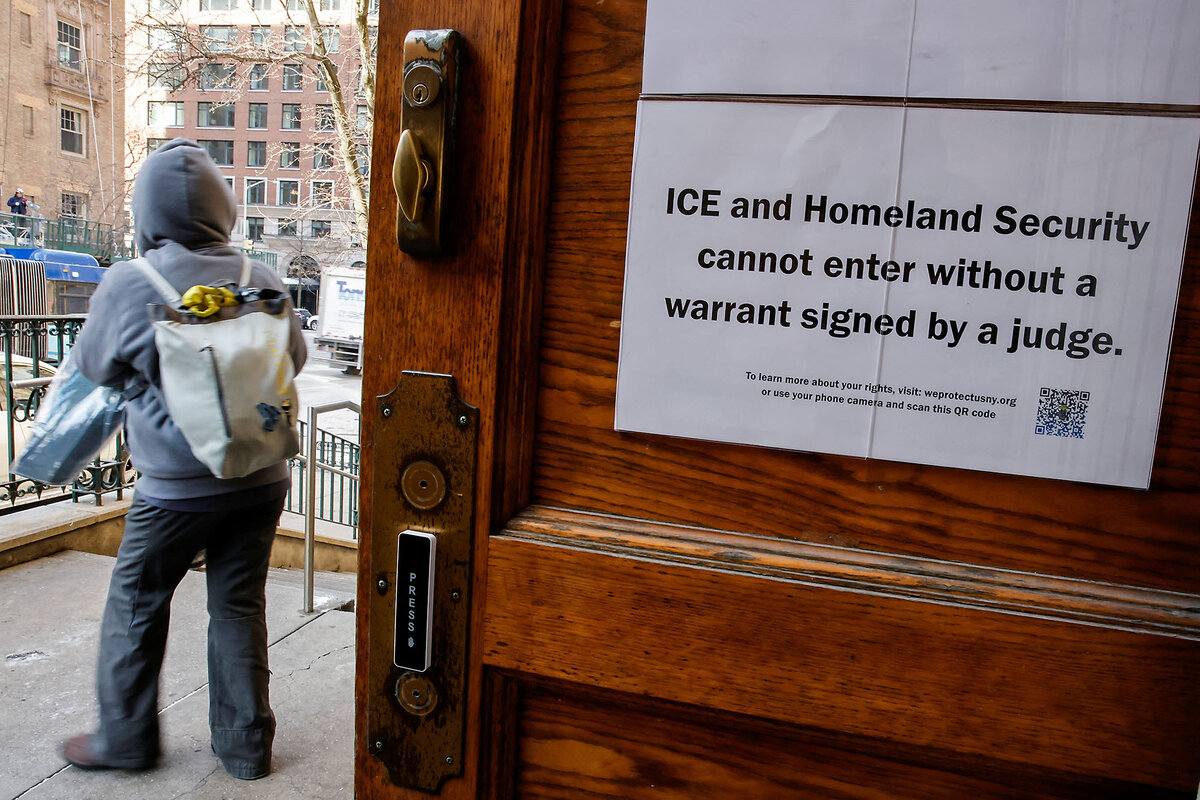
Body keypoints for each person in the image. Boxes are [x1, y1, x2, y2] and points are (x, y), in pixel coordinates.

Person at [60, 139, 306, 780]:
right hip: (261, 475)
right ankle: (246, 747)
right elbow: (294, 360)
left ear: (147, 213)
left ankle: (126, 740)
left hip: (175, 486)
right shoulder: (263, 277)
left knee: (137, 603)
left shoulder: (131, 282)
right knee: (238, 603)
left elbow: (93, 367)